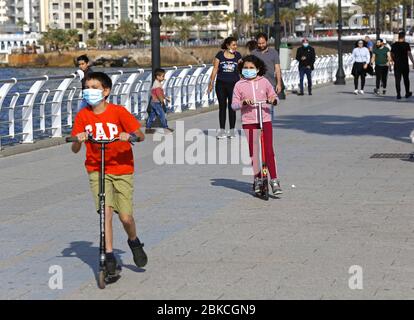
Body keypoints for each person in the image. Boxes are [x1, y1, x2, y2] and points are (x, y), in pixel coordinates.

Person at [70, 72, 147, 276]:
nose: (89, 91)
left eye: (94, 87)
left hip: (121, 168)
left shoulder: (118, 112)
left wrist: (128, 136)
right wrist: (79, 139)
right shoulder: (83, 115)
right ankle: (109, 255)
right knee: (105, 214)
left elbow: (141, 135)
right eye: (86, 87)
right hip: (96, 169)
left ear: (106, 91)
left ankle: (134, 241)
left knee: (125, 217)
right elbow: (75, 149)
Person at [232, 55, 282, 195]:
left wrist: (273, 100)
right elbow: (234, 105)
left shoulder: (264, 82)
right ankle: (257, 179)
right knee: (254, 152)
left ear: (258, 69)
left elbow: (275, 97)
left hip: (264, 119)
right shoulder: (239, 85)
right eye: (245, 68)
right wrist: (243, 103)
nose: (248, 70)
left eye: (251, 68)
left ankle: (274, 180)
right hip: (249, 121)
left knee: (268, 151)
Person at [208, 37, 242, 139]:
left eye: (236, 45)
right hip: (221, 85)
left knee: (232, 108)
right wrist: (210, 83)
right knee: (222, 107)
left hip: (234, 85)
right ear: (227, 45)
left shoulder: (238, 56)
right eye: (233, 45)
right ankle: (222, 131)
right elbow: (215, 70)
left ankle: (231, 131)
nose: (235, 47)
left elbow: (242, 71)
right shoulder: (219, 55)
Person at [145, 68, 174, 134]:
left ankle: (148, 128)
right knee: (162, 115)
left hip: (153, 102)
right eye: (163, 76)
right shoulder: (157, 85)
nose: (164, 78)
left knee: (152, 115)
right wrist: (162, 101)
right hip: (156, 103)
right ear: (158, 77)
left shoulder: (156, 83)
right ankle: (165, 128)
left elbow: (159, 94)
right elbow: (159, 94)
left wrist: (165, 98)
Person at [391, 31, 414, 99]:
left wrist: (393, 60)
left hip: (397, 65)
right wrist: (413, 62)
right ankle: (407, 93)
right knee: (406, 79)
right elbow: (409, 54)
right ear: (403, 37)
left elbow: (391, 54)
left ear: (398, 37)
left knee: (397, 80)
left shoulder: (394, 45)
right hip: (404, 65)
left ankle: (398, 94)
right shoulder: (406, 44)